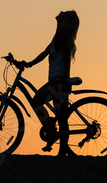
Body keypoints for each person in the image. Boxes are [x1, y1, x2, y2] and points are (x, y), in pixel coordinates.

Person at [22, 10, 79, 152]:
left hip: (58, 82)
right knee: (62, 118)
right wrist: (28, 64)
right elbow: (44, 53)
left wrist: (65, 75)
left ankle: (52, 133)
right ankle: (63, 151)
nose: (60, 12)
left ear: (66, 20)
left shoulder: (61, 33)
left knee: (36, 102)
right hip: (59, 81)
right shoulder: (58, 35)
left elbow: (66, 54)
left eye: (64, 13)